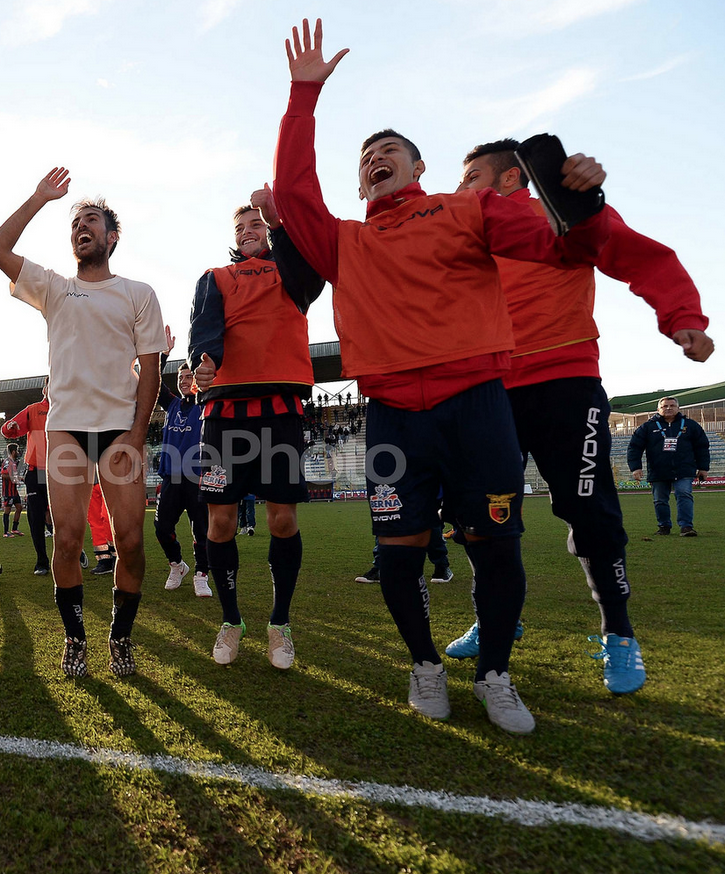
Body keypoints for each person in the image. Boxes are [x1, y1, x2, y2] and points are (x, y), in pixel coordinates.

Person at [275, 20, 611, 733]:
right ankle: (426, 664)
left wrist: (577, 196)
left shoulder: (468, 209)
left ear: (418, 168)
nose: (375, 159)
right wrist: (303, 97)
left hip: (478, 406)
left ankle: (495, 674)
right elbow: (294, 191)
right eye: (366, 156)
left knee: (497, 546)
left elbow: (552, 236)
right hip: (395, 416)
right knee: (397, 557)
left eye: (389, 150)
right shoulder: (347, 241)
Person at [448, 141, 713, 693]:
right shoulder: (462, 228)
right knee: (481, 513)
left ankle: (619, 635)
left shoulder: (558, 210)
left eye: (471, 176)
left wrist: (682, 316)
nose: (459, 188)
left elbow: (643, 256)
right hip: (488, 388)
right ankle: (498, 618)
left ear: (510, 180)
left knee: (590, 512)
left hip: (565, 383)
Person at [0, 168, 166, 678]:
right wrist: (40, 198)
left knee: (131, 542)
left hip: (119, 430)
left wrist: (135, 435)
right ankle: (74, 638)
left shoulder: (138, 292)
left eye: (92, 220)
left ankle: (121, 637)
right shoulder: (55, 288)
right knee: (67, 541)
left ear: (112, 237)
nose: (81, 227)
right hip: (65, 428)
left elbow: (151, 371)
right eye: (76, 223)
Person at [189, 185, 325, 668]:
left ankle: (279, 623)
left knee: (282, 520)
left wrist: (281, 221)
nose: (249, 232)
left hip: (281, 411)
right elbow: (203, 332)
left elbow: (312, 279)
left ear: (271, 228)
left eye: (257, 224)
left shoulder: (293, 271)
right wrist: (201, 363)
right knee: (220, 523)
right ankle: (231, 620)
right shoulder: (216, 277)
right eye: (241, 226)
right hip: (224, 417)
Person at [152, 329, 210, 599]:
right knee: (162, 527)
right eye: (181, 377)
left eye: (189, 376)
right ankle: (177, 565)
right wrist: (163, 356)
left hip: (197, 478)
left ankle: (201, 575)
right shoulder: (172, 404)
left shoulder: (206, 404)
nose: (185, 381)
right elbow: (151, 382)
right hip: (171, 477)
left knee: (201, 529)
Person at [629, 397, 712, 537]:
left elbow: (702, 447)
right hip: (658, 470)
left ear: (678, 408)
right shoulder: (648, 427)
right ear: (658, 409)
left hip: (684, 469)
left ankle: (686, 527)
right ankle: (664, 526)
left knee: (684, 494)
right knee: (660, 499)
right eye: (665, 406)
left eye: (672, 405)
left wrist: (703, 467)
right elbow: (634, 448)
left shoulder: (691, 425)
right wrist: (635, 467)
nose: (668, 408)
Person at [2, 380, 52, 574]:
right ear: (44, 389)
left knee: (65, 518)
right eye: (49, 384)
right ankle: (42, 561)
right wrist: (11, 426)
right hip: (35, 472)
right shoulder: (33, 410)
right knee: (35, 519)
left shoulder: (67, 409)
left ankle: (73, 552)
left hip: (59, 472)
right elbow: (8, 430)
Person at [1, 442, 25, 537]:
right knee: (7, 510)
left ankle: (14, 529)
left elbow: (13, 476)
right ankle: (5, 532)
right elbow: (3, 474)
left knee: (19, 508)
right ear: (13, 451)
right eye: (17, 451)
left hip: (14, 491)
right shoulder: (7, 462)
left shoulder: (13, 462)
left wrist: (20, 478)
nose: (18, 452)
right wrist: (14, 479)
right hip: (8, 491)